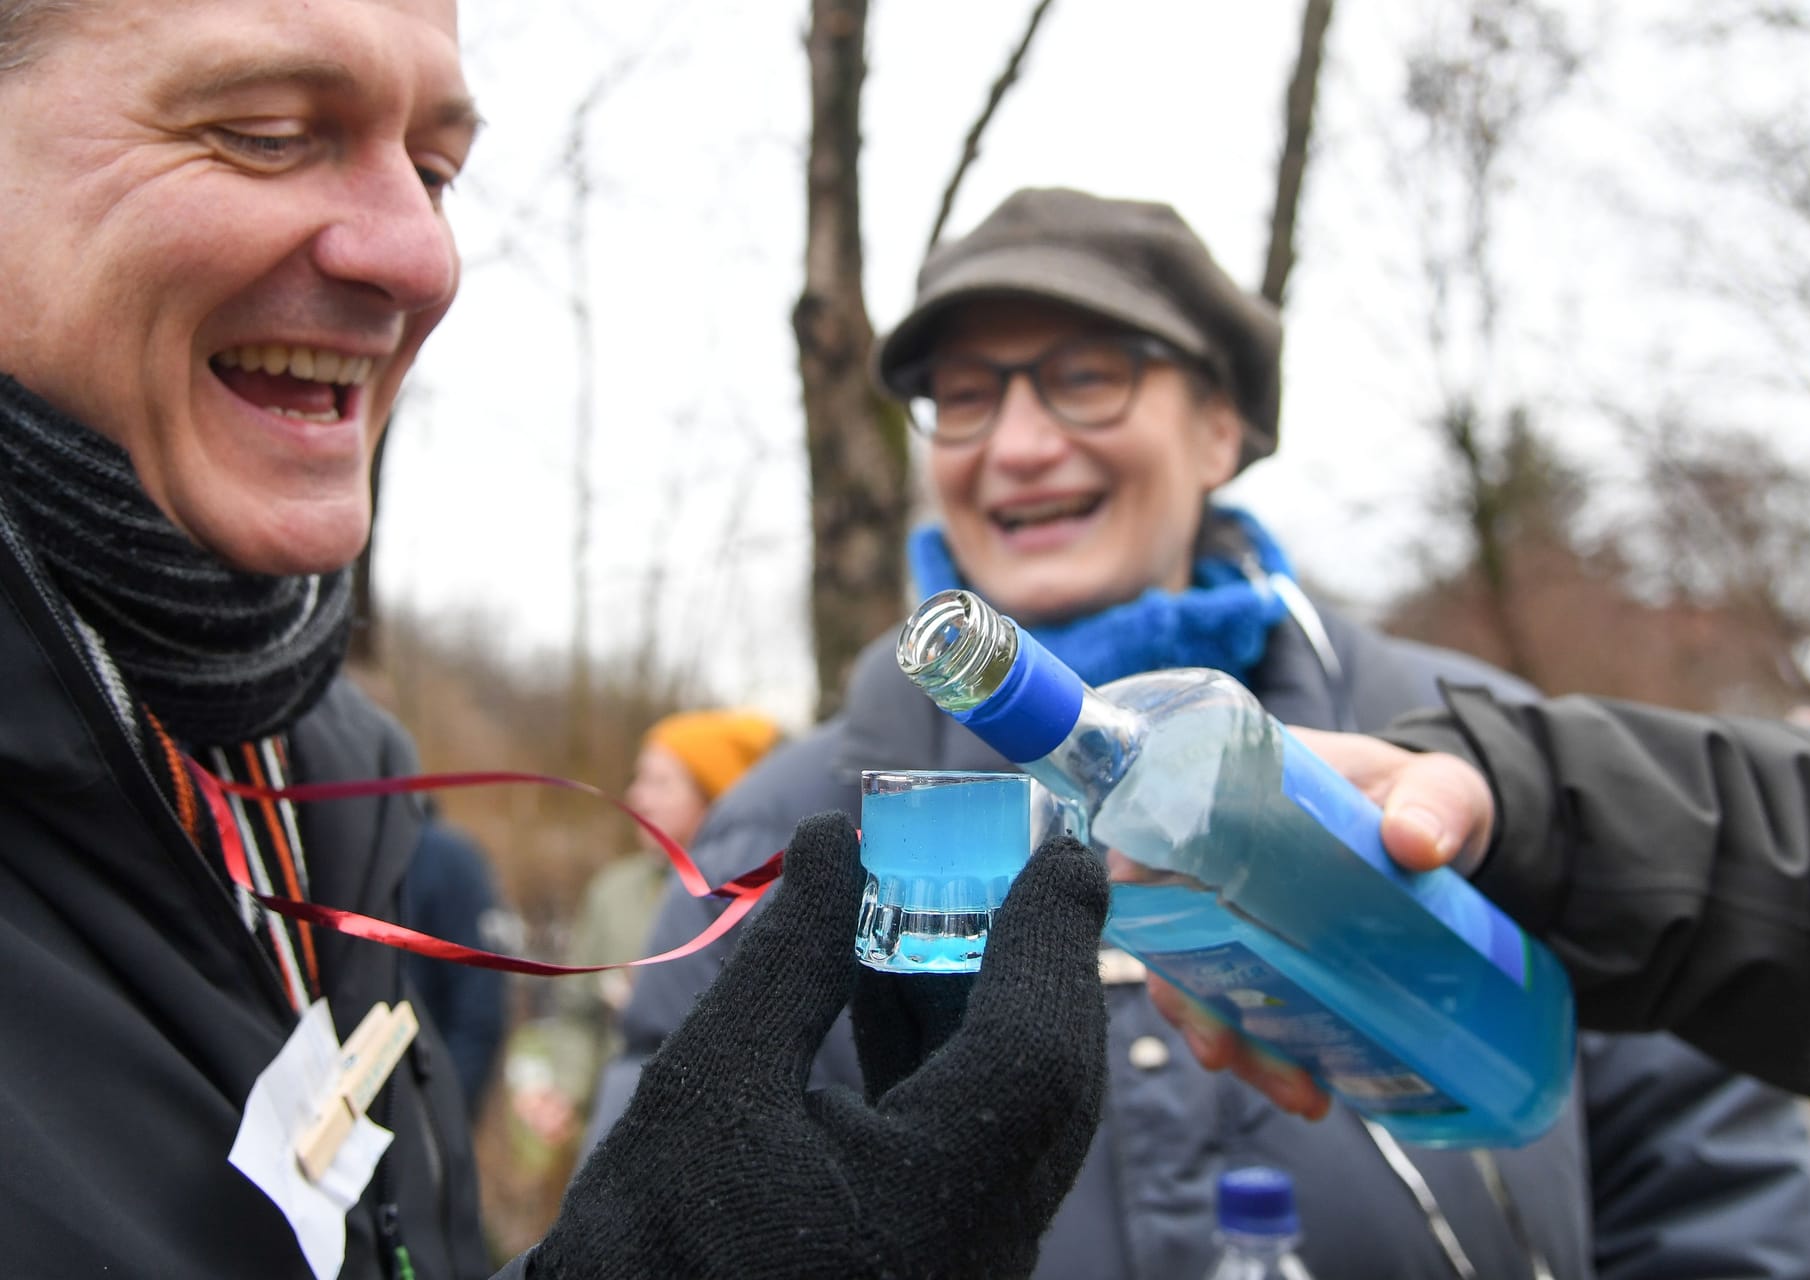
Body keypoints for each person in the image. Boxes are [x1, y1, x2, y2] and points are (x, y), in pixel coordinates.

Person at [0, 4, 1110, 1276]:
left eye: (434, 170)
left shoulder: (333, 782)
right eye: (262, 134)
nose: (424, 257)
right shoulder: (789, 801)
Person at [601, 187, 1810, 1279]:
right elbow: (654, 1195)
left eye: (1087, 374)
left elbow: (1719, 1196)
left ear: (1222, 428)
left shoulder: (1477, 764)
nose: (1018, 444)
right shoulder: (792, 824)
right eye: (964, 398)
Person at [1161, 689, 1810, 1132]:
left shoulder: (1436, 690)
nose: (1035, 448)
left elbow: (1714, 1174)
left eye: (1085, 399)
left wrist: (1530, 823)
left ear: (1223, 427)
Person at [523, 709, 781, 1147]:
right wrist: (565, 1088)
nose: (637, 797)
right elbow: (579, 1015)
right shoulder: (613, 891)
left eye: (660, 783)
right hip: (615, 1138)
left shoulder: (761, 896)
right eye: (638, 779)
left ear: (713, 795)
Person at [401, 806, 514, 1121]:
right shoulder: (333, 852)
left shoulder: (447, 861)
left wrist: (445, 1118)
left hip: (426, 1110)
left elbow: (480, 1006)